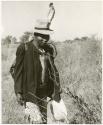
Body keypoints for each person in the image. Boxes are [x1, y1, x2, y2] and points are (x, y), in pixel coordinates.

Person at [14, 21, 61, 123]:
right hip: (30, 92)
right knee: (36, 121)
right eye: (42, 36)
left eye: (47, 36)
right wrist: (18, 92)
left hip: (45, 92)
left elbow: (52, 70)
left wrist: (56, 89)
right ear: (35, 35)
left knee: (46, 120)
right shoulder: (24, 48)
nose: (45, 39)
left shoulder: (48, 49)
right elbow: (17, 72)